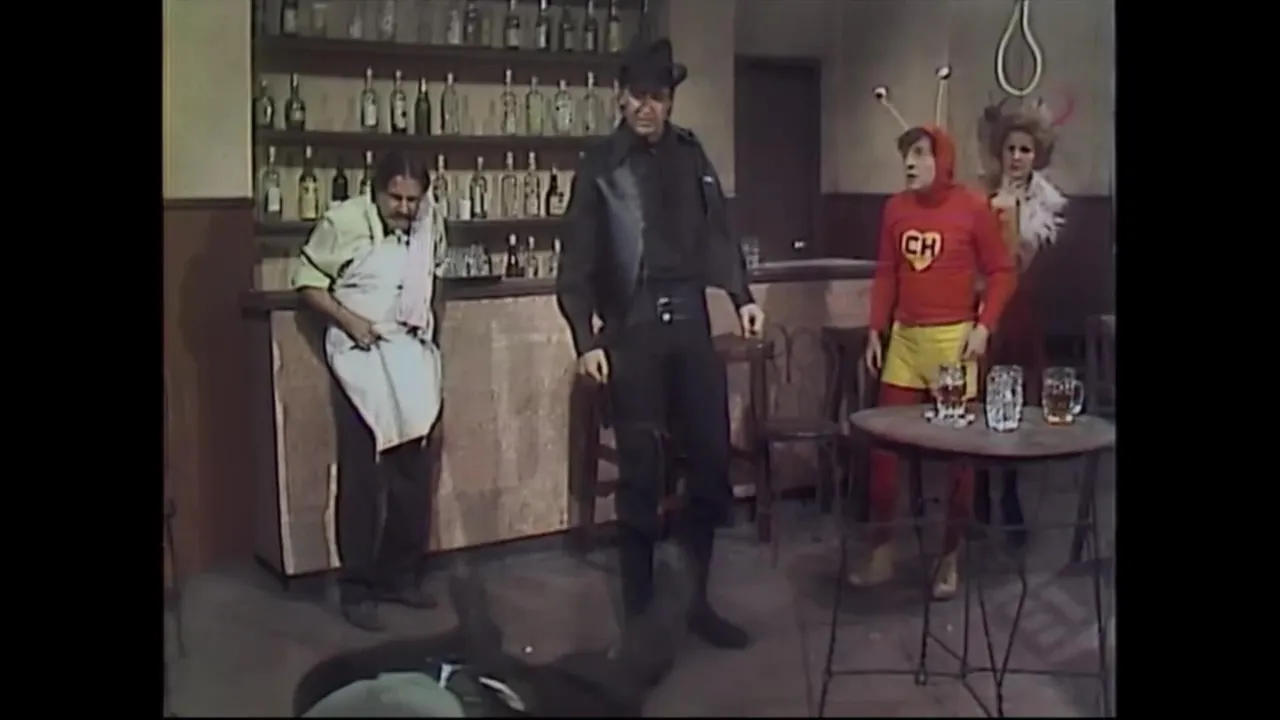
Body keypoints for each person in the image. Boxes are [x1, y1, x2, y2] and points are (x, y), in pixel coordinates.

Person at [555, 37, 767, 659]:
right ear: (621, 98)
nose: (648, 107)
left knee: (710, 466)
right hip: (634, 327)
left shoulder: (691, 153)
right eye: (639, 95)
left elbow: (719, 232)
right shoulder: (601, 165)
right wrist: (585, 337)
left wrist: (741, 295)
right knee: (642, 475)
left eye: (659, 96)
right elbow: (577, 261)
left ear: (670, 101)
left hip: (690, 322)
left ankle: (696, 601)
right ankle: (640, 616)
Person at [853, 69, 1017, 600]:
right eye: (906, 154)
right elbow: (886, 272)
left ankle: (949, 557)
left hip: (953, 343)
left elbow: (1002, 271)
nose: (909, 162)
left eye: (921, 153)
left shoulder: (971, 207)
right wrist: (875, 329)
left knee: (959, 456)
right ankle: (881, 549)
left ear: (942, 160)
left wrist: (984, 326)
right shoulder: (894, 209)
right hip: (905, 341)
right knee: (884, 447)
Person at [291, 151, 448, 631]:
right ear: (375, 190)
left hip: (408, 352)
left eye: (412, 200)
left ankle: (399, 576)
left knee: (413, 472)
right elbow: (307, 283)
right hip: (359, 354)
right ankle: (356, 588)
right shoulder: (343, 222)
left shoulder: (429, 224)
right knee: (361, 476)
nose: (404, 208)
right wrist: (349, 321)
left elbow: (432, 276)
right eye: (395, 198)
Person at [973, 97, 1071, 547]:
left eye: (1025, 150)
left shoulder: (1045, 205)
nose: (1016, 157)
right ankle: (978, 495)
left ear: (1037, 155)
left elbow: (1018, 263)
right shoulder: (980, 194)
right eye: (1011, 149)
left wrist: (1009, 218)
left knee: (1013, 401)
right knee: (977, 400)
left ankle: (1010, 494)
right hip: (980, 308)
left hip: (1020, 311)